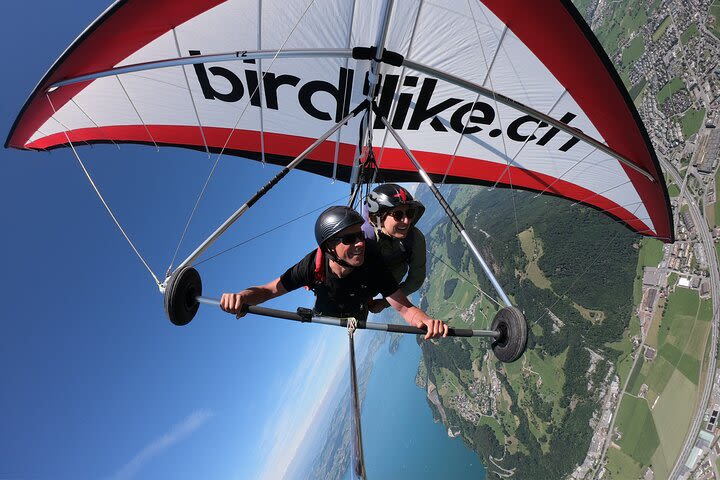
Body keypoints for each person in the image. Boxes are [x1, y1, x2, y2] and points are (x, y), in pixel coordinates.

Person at [220, 206, 447, 339]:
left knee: (357, 315)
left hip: (358, 310)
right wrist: (241, 298)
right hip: (327, 313)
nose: (359, 243)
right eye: (349, 239)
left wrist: (426, 321)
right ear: (329, 246)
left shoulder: (372, 262)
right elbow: (268, 290)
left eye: (359, 235)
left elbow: (404, 307)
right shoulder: (311, 266)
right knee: (329, 309)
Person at [364, 183, 427, 314]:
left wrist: (384, 303)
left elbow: (416, 279)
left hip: (391, 281)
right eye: (398, 215)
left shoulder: (414, 237)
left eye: (409, 213)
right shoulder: (362, 241)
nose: (406, 221)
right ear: (377, 219)